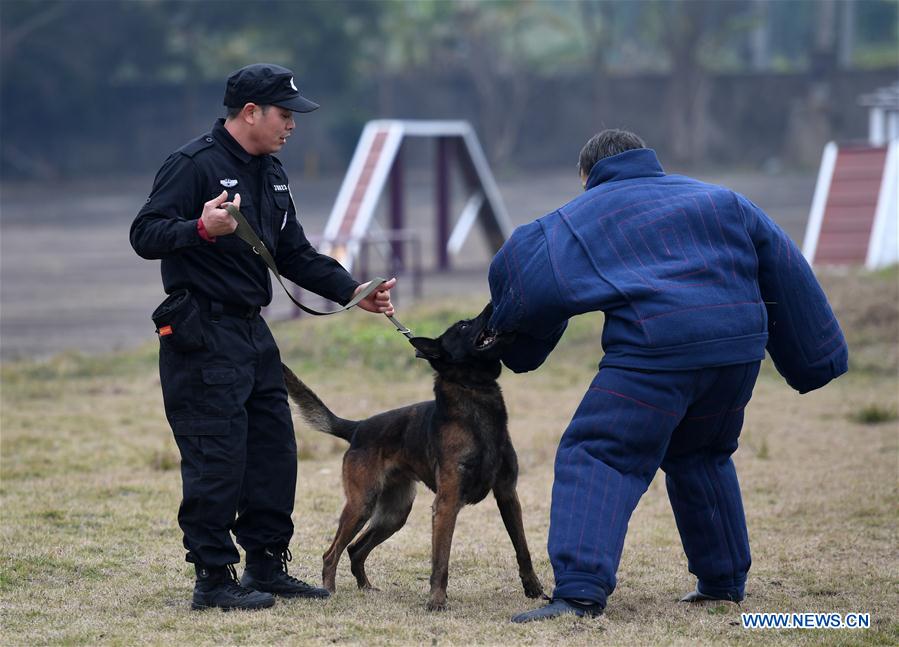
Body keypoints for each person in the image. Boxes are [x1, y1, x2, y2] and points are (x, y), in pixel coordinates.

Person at [486, 129, 848, 622]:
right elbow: (785, 266)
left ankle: (579, 594)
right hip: (737, 354)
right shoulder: (722, 199)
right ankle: (722, 583)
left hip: (658, 349)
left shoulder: (587, 211)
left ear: (587, 176)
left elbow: (528, 271)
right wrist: (814, 357)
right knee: (700, 454)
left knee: (599, 451)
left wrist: (515, 344)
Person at [130, 63, 396, 611]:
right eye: (284, 114)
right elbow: (144, 234)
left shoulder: (270, 172)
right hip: (201, 331)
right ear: (250, 113)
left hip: (252, 331)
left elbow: (293, 253)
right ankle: (212, 578)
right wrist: (199, 228)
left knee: (274, 451)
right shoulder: (192, 165)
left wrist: (352, 291)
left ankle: (266, 566)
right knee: (217, 454)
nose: (292, 125)